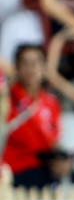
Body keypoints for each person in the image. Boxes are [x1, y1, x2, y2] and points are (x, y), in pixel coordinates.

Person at [1, 44, 62, 186]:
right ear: (16, 67)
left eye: (36, 62)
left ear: (44, 67)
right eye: (25, 63)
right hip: (12, 169)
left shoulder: (50, 102)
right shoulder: (6, 98)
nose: (31, 68)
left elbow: (54, 139)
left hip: (44, 168)